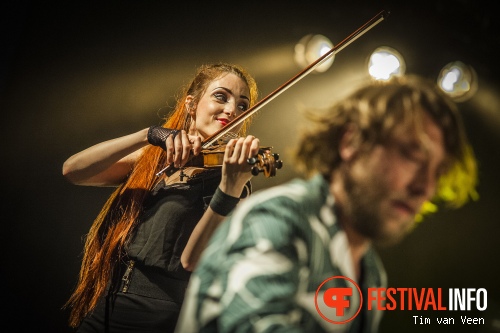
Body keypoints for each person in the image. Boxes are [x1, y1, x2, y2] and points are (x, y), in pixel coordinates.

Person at [174, 75, 478, 333]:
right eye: (412, 155)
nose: (425, 187)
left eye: (438, 172)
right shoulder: (278, 219)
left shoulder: (371, 273)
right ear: (351, 143)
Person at [62, 63, 264, 333]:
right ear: (191, 104)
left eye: (242, 105)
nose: (231, 110)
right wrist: (147, 135)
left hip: (160, 318)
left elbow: (196, 261)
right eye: (221, 96)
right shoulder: (154, 160)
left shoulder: (228, 179)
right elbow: (74, 170)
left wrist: (229, 189)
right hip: (106, 306)